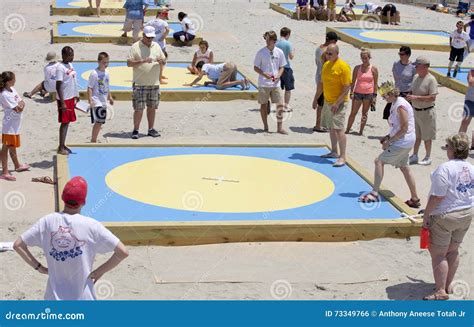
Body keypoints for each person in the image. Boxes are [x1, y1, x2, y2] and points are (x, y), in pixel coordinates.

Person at [13, 176, 129, 300]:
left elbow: (18, 245)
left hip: (53, 297)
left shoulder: (47, 221)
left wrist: (39, 268)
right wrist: (99, 271)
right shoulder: (92, 226)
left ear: (63, 198)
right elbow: (123, 252)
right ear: (83, 202)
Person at [422, 133, 473, 300]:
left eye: (448, 147)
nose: (446, 149)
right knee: (453, 250)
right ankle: (448, 284)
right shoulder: (471, 167)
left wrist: (426, 216)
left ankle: (440, 290)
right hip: (466, 213)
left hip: (446, 216)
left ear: (453, 150)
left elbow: (437, 197)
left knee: (438, 254)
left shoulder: (445, 168)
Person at [359, 81, 420, 208]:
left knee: (379, 161)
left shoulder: (400, 105)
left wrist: (390, 141)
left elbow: (404, 128)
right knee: (404, 167)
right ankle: (415, 199)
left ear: (391, 93)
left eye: (384, 95)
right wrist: (387, 137)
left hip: (403, 141)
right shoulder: (395, 103)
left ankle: (374, 193)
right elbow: (396, 126)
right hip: (406, 141)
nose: (383, 98)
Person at [127, 26, 166, 140]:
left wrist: (161, 61)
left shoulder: (157, 46)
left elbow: (164, 60)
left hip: (154, 83)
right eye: (148, 37)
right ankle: (136, 130)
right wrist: (143, 61)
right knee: (138, 109)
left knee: (152, 107)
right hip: (140, 83)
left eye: (152, 37)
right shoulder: (135, 47)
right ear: (143, 35)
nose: (150, 39)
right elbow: (129, 63)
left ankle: (151, 129)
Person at [316, 44, 351, 167]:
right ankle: (334, 151)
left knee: (339, 129)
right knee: (331, 127)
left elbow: (347, 87)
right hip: (328, 101)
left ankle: (343, 156)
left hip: (339, 102)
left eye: (330, 53)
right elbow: (321, 83)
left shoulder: (343, 67)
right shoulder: (326, 65)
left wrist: (337, 103)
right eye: (327, 53)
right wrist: (316, 98)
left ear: (337, 53)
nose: (328, 55)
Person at [253, 30, 288, 134]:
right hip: (263, 83)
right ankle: (265, 126)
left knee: (280, 105)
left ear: (274, 40)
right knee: (263, 105)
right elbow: (255, 67)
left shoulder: (279, 52)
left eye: (269, 39)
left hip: (275, 83)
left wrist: (279, 75)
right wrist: (264, 74)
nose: (267, 41)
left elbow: (282, 67)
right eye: (266, 39)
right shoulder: (261, 52)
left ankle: (279, 128)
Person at [407, 56, 438, 166]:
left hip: (427, 111)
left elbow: (432, 97)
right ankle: (415, 155)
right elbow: (412, 91)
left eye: (418, 65)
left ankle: (428, 156)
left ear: (424, 66)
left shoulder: (431, 80)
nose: (415, 67)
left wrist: (416, 98)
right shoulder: (416, 77)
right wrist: (409, 96)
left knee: (427, 136)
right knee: (417, 135)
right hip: (416, 111)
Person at [0, 71, 30, 181]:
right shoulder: (4, 94)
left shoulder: (12, 90)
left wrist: (21, 104)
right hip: (9, 125)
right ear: (8, 82)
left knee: (12, 145)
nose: (15, 80)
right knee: (6, 147)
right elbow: (18, 108)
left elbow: (22, 101)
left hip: (15, 124)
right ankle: (4, 172)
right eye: (13, 79)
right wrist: (21, 104)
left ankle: (17, 165)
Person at [346, 48, 378, 136]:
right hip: (357, 93)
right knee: (353, 112)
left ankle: (361, 131)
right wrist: (351, 92)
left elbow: (375, 84)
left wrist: (374, 97)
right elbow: (353, 81)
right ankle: (347, 129)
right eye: (362, 58)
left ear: (369, 57)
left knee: (364, 113)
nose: (364, 60)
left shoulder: (374, 69)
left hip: (368, 94)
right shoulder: (357, 68)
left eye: (365, 58)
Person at [312, 31, 339, 132]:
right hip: (324, 79)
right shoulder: (326, 52)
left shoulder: (318, 49)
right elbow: (329, 65)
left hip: (318, 75)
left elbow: (317, 63)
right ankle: (318, 125)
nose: (336, 43)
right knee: (321, 103)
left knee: (322, 102)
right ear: (331, 41)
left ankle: (320, 124)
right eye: (335, 41)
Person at [56, 46, 79, 156]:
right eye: (70, 55)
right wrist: (62, 102)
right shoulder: (60, 68)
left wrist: (76, 94)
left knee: (68, 122)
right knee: (64, 123)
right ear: (64, 55)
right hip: (64, 98)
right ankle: (60, 147)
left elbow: (73, 80)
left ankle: (63, 144)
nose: (72, 57)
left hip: (70, 97)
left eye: (73, 55)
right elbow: (58, 86)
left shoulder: (70, 65)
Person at [87, 52, 114, 143]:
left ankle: (94, 139)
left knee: (101, 121)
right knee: (98, 121)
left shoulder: (107, 72)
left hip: (103, 100)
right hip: (96, 100)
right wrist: (90, 100)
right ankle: (93, 140)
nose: (105, 64)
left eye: (107, 62)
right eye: (103, 62)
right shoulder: (94, 73)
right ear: (98, 62)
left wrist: (110, 97)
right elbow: (90, 88)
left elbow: (107, 85)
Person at [383, 46, 415, 121]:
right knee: (388, 113)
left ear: (408, 55)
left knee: (405, 114)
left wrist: (410, 93)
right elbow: (396, 79)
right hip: (397, 92)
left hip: (407, 93)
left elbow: (414, 81)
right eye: (399, 54)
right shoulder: (396, 64)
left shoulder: (413, 67)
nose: (400, 56)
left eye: (402, 54)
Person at [145, 10, 170, 84]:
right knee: (161, 61)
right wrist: (163, 37)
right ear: (161, 15)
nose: (165, 18)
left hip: (152, 43)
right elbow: (168, 30)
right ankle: (159, 78)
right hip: (161, 44)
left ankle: (158, 75)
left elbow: (143, 28)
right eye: (165, 16)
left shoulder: (151, 21)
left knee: (153, 60)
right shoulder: (163, 22)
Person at [184, 61, 249, 90]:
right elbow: (217, 81)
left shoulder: (205, 66)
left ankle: (240, 82)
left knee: (219, 87)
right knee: (232, 83)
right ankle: (245, 81)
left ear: (199, 68)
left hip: (227, 66)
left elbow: (199, 77)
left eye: (198, 70)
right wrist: (209, 82)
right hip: (232, 65)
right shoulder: (209, 74)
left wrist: (191, 84)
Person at [276, 27, 295, 112]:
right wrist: (294, 51)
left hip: (276, 67)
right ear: (288, 34)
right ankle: (286, 105)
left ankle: (278, 104)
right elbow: (291, 57)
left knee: (277, 88)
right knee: (288, 88)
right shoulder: (288, 44)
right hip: (286, 67)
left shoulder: (276, 43)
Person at [459, 69, 474, 150]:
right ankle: (459, 142)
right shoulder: (471, 72)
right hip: (470, 100)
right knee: (464, 122)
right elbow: (471, 82)